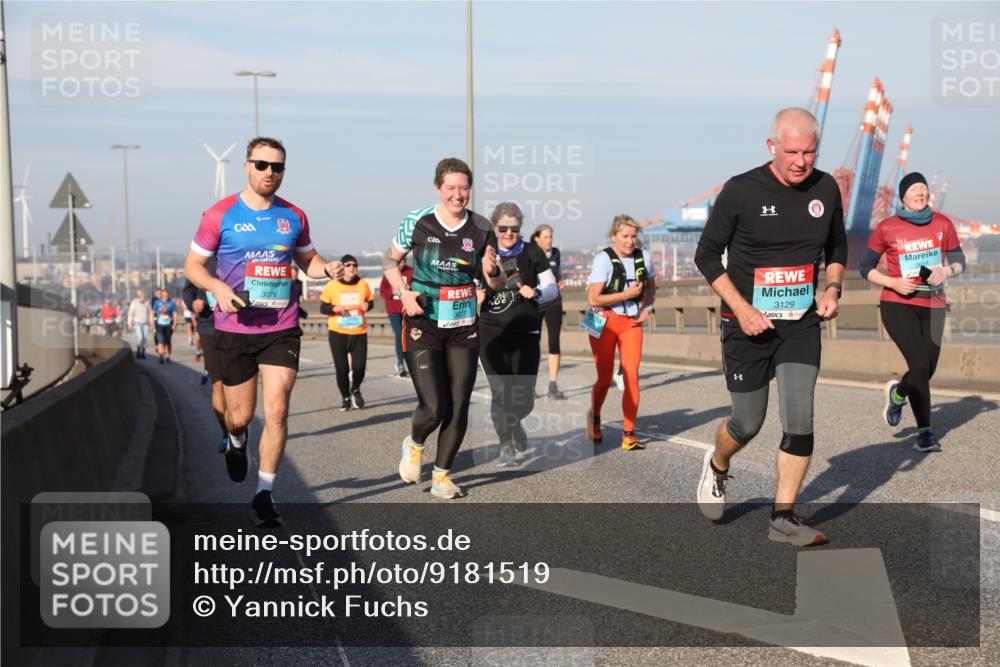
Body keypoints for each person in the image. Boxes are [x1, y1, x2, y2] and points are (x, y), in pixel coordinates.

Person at [693, 107, 847, 546]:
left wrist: (833, 288)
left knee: (800, 419)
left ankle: (783, 518)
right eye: (792, 152)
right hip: (746, 326)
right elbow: (706, 255)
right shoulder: (740, 190)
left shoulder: (826, 188)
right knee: (747, 423)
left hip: (799, 323)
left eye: (809, 152)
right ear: (771, 146)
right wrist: (742, 309)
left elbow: (837, 244)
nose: (801, 161)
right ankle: (718, 464)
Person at [184, 136, 344, 526]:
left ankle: (265, 493)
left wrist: (326, 268)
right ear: (246, 166)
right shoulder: (219, 214)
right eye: (261, 165)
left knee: (277, 410)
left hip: (280, 326)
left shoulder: (294, 215)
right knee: (240, 417)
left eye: (277, 166)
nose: (269, 172)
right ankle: (236, 440)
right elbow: (193, 266)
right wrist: (217, 287)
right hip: (235, 327)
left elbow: (307, 259)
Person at [381, 157, 505, 499]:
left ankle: (442, 476)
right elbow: (390, 260)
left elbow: (496, 283)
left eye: (464, 188)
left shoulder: (481, 227)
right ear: (438, 188)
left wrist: (493, 270)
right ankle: (415, 443)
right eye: (451, 188)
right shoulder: (417, 221)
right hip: (423, 323)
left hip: (463, 325)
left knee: (459, 403)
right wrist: (402, 291)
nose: (457, 195)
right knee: (434, 405)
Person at [861, 172, 965, 452]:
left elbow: (960, 260)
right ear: (903, 196)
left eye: (923, 188)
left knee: (927, 369)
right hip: (898, 303)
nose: (920, 192)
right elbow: (865, 267)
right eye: (914, 189)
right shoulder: (887, 227)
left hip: (934, 304)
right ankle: (925, 432)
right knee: (919, 364)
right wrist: (892, 282)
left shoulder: (942, 223)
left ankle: (898, 393)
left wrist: (947, 270)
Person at [481, 203, 558, 466]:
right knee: (501, 391)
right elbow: (469, 283)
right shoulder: (484, 253)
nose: (508, 233)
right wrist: (474, 294)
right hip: (491, 333)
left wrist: (536, 292)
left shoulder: (533, 252)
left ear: (520, 229)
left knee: (524, 399)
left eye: (514, 229)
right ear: (495, 227)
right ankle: (506, 445)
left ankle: (514, 424)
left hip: (526, 332)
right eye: (503, 228)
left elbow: (552, 288)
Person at [585, 215, 657, 451]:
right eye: (625, 236)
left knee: (631, 377)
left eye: (633, 236)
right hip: (603, 321)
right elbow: (593, 298)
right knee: (605, 379)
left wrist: (647, 307)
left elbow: (652, 286)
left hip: (631, 323)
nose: (629, 241)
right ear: (613, 236)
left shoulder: (644, 257)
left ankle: (629, 433)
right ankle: (594, 416)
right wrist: (627, 295)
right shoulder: (603, 260)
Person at [183, 260, 230, 454]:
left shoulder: (242, 250)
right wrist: (194, 303)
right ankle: (227, 433)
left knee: (237, 383)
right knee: (217, 383)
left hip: (239, 325)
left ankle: (239, 426)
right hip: (209, 326)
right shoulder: (202, 258)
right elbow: (188, 291)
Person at [320, 254, 375, 411]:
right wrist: (334, 308)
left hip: (359, 331)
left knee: (359, 367)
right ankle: (345, 398)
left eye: (354, 265)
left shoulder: (363, 284)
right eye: (348, 265)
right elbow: (323, 308)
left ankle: (355, 388)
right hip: (338, 332)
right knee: (342, 369)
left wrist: (368, 306)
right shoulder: (333, 285)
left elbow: (370, 302)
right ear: (342, 268)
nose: (352, 268)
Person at [530, 224, 567, 400]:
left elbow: (556, 274)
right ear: (537, 238)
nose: (549, 240)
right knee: (532, 343)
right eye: (545, 237)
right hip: (536, 302)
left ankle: (553, 385)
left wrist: (559, 281)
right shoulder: (530, 253)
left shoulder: (556, 253)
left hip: (554, 302)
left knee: (554, 342)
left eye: (551, 236)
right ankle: (530, 385)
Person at [379, 258, 414, 377]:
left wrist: (410, 288)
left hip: (408, 307)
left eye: (402, 262)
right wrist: (392, 291)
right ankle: (400, 363)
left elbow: (418, 287)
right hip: (393, 309)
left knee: (410, 335)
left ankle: (411, 362)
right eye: (398, 263)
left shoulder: (410, 271)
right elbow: (382, 291)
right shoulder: (389, 273)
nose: (400, 265)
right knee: (400, 334)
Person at [152, 289, 177, 364]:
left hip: (168, 325)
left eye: (166, 295)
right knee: (161, 341)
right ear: (162, 295)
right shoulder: (157, 302)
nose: (165, 296)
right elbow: (153, 312)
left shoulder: (172, 303)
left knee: (168, 341)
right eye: (163, 295)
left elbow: (174, 313)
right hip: (159, 325)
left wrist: (174, 323)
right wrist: (152, 322)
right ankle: (161, 356)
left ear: (168, 295)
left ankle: (168, 356)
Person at [126, 291, 151, 359]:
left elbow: (150, 312)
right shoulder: (134, 302)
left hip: (145, 323)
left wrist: (151, 321)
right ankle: (138, 351)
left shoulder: (147, 302)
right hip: (137, 323)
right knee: (140, 338)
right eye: (141, 295)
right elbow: (130, 313)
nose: (142, 297)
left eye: (143, 295)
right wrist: (129, 324)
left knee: (145, 339)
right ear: (138, 296)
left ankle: (143, 352)